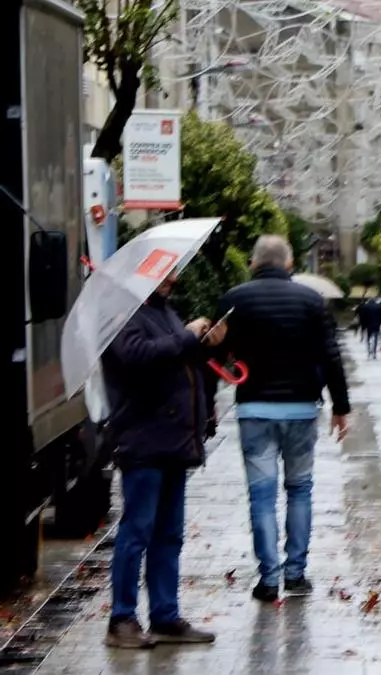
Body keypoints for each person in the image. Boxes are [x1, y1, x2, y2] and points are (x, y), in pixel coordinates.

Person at [216, 235, 351, 603]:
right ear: (289, 264)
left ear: (253, 263)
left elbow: (215, 350)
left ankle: (269, 578)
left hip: (254, 409)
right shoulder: (312, 301)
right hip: (301, 409)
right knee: (300, 489)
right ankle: (296, 573)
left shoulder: (234, 300)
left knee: (261, 495)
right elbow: (330, 354)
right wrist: (341, 407)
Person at [102, 271, 224, 649]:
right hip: (143, 441)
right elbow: (136, 356)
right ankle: (122, 619)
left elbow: (177, 358)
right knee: (136, 532)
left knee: (169, 534)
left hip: (174, 443)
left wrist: (204, 344)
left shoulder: (164, 311)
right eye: (164, 272)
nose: (173, 278)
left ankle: (165, 615)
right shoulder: (123, 314)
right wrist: (187, 337)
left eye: (174, 271)